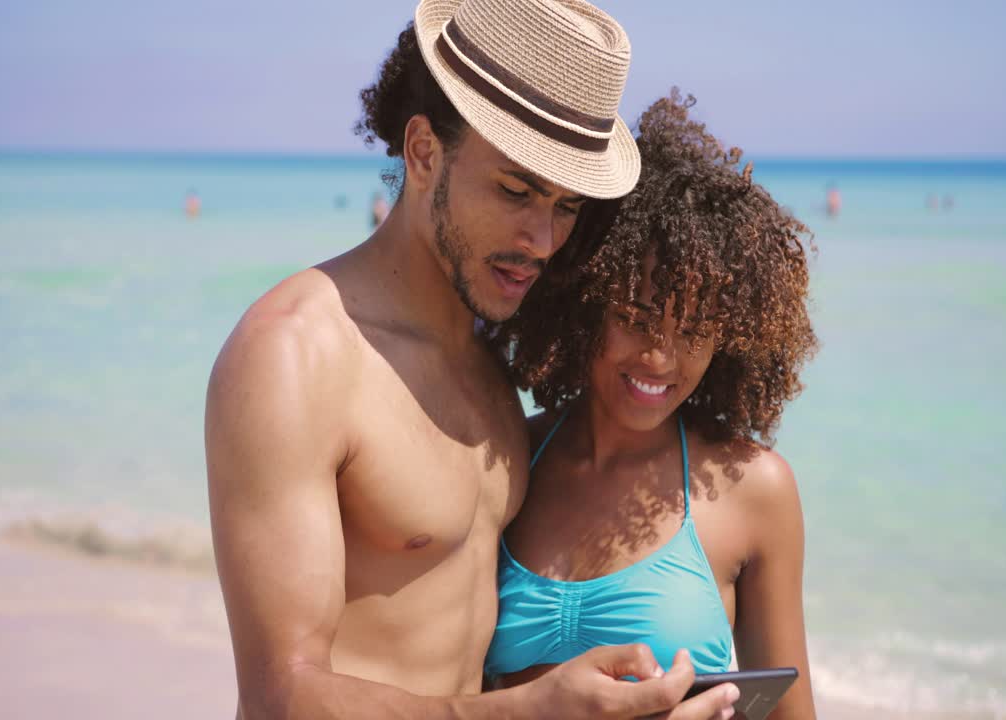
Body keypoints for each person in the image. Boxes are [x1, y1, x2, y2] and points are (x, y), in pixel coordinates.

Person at [204, 1, 737, 718]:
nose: (543, 240)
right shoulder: (296, 355)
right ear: (423, 153)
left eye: (568, 206)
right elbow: (280, 696)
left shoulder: (493, 358)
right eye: (515, 190)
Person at [485, 93, 820, 719]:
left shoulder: (754, 489)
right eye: (635, 318)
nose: (660, 359)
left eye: (693, 330)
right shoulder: (510, 459)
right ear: (584, 303)